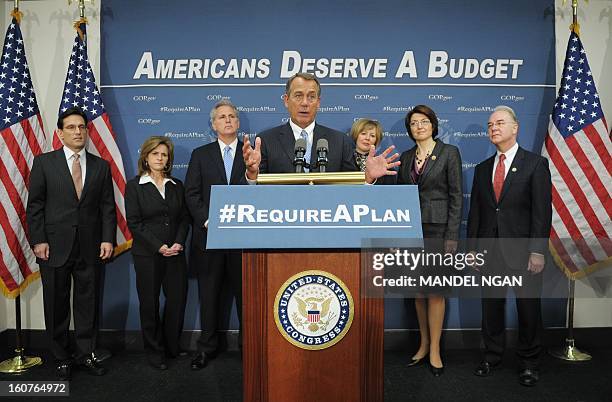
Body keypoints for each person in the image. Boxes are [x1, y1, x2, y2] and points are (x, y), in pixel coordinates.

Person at [26, 107, 116, 380]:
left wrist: (107, 238)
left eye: (82, 127)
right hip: (53, 246)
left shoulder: (101, 166)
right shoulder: (44, 162)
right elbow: (35, 206)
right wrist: (38, 239)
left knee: (87, 302)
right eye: (72, 127)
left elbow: (107, 207)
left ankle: (86, 352)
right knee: (56, 303)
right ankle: (61, 357)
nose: (78, 132)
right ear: (60, 133)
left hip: (90, 246)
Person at [468, 105, 552, 387]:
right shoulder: (481, 170)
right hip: (489, 252)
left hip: (524, 253)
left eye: (500, 123)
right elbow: (476, 214)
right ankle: (492, 356)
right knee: (491, 307)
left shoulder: (535, 164)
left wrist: (538, 250)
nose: (493, 127)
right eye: (490, 124)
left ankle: (529, 362)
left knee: (528, 309)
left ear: (515, 128)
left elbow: (542, 212)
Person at [397, 105, 462, 377]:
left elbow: (457, 197)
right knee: (418, 293)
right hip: (412, 232)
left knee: (435, 293)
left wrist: (451, 237)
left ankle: (435, 349)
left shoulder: (449, 153)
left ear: (433, 125)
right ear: (409, 129)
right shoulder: (405, 156)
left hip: (438, 232)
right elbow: (399, 197)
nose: (419, 126)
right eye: (414, 123)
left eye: (424, 121)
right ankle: (423, 344)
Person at [242, 72, 399, 182]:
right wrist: (251, 174)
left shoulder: (340, 141)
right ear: (286, 100)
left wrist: (368, 178)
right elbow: (250, 194)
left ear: (318, 102)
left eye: (311, 97)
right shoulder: (266, 141)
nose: (305, 102)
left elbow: (353, 191)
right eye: (298, 96)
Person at [184, 100, 246, 370]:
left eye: (232, 116)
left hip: (245, 238)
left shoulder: (252, 153)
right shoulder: (201, 154)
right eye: (222, 117)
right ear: (214, 124)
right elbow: (192, 193)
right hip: (209, 237)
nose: (228, 120)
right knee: (209, 296)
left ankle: (250, 347)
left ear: (238, 122)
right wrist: (207, 220)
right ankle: (207, 348)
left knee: (247, 297)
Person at [125, 136, 190, 370]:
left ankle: (172, 347)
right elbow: (134, 222)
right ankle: (154, 352)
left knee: (177, 301)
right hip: (148, 255)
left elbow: (184, 218)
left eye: (164, 154)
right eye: (155, 154)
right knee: (149, 304)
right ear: (146, 157)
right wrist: (158, 246)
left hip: (176, 253)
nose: (160, 158)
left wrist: (179, 243)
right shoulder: (134, 186)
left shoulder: (177, 185)